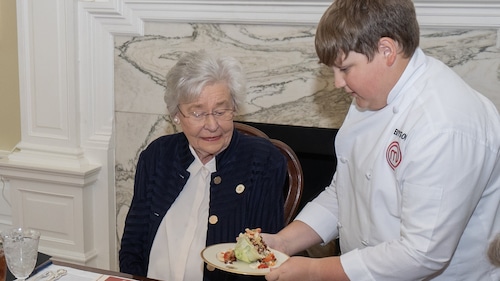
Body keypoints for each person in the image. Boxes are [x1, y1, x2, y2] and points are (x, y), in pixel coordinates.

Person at [263, 0, 500, 280]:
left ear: (386, 50)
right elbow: (345, 192)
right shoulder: (371, 95)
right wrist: (284, 243)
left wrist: (316, 270)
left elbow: (421, 254)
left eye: (345, 68)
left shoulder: (443, 124)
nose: (338, 83)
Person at [119, 49, 287, 281]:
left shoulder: (262, 161)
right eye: (197, 113)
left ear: (234, 108)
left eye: (220, 111)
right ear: (176, 115)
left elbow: (263, 262)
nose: (211, 125)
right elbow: (132, 246)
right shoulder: (157, 155)